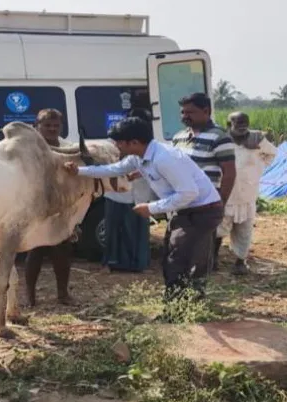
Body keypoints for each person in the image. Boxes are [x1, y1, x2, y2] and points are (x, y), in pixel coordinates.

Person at [63, 117, 223, 299]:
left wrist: (152, 208)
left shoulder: (165, 158)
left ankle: (182, 306)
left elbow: (189, 193)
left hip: (202, 210)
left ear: (134, 142)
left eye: (119, 143)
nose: (117, 147)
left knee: (182, 260)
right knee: (175, 258)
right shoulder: (139, 157)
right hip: (185, 210)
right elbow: (114, 169)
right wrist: (80, 171)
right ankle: (180, 303)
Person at [171, 93, 237, 269]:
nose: (185, 116)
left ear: (206, 111)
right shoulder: (179, 138)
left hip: (205, 204)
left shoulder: (219, 137)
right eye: (183, 112)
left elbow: (229, 172)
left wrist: (221, 202)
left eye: (190, 112)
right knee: (179, 246)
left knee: (200, 250)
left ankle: (198, 287)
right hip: (182, 201)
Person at [214, 112, 277, 275]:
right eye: (238, 123)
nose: (243, 127)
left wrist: (258, 167)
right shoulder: (222, 141)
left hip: (248, 192)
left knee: (245, 230)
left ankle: (240, 262)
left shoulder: (257, 140)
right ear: (229, 125)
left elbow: (272, 154)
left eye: (245, 123)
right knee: (218, 228)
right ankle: (212, 259)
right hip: (227, 192)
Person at [25, 108, 76, 306]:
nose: (52, 129)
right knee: (35, 251)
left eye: (56, 125)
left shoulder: (69, 147)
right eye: (47, 125)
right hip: (36, 207)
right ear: (36, 127)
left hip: (62, 206)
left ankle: (63, 294)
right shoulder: (29, 148)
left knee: (62, 252)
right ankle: (30, 297)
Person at [100, 108, 155, 273]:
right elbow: (108, 164)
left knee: (138, 229)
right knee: (113, 229)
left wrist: (139, 173)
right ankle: (109, 263)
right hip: (116, 192)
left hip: (139, 192)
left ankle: (139, 264)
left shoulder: (150, 144)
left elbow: (152, 165)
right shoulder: (113, 142)